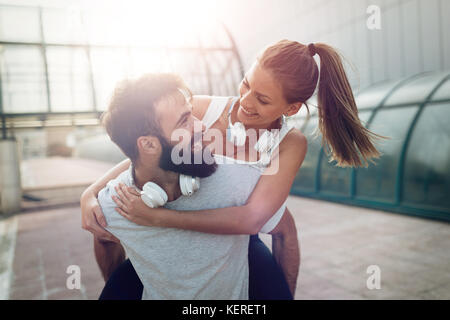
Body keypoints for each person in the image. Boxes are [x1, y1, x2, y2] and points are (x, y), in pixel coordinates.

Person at [82, 39, 381, 299]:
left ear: (291, 109)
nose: (245, 101)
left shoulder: (290, 144)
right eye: (247, 83)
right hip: (170, 226)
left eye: (262, 99)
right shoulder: (199, 107)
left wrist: (159, 218)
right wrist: (92, 193)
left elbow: (252, 219)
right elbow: (153, 153)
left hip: (237, 235)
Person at [86, 72, 296, 300]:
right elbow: (103, 237)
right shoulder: (114, 203)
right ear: (147, 144)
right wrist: (89, 195)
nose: (202, 127)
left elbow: (285, 231)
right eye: (185, 120)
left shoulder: (238, 180)